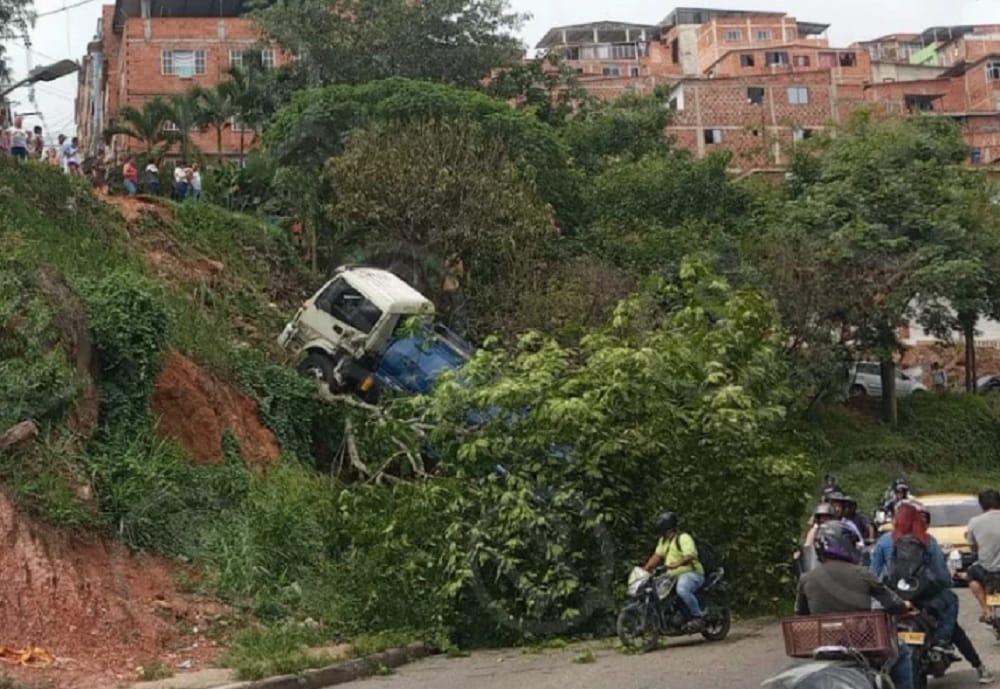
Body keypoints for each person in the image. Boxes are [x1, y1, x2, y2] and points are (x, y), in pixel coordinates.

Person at [797, 519, 913, 689]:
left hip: (823, 645)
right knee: (902, 652)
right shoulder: (862, 573)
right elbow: (893, 604)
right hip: (861, 644)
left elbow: (802, 614)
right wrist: (905, 607)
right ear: (845, 544)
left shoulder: (806, 578)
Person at [870, 503, 960, 661]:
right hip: (924, 597)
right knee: (952, 600)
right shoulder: (927, 540)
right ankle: (941, 641)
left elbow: (873, 573)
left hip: (895, 596)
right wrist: (946, 583)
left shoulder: (884, 541)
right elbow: (941, 573)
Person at [644, 512, 706, 631]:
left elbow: (691, 555)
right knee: (656, 591)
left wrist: (677, 564)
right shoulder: (664, 541)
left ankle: (698, 617)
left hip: (692, 573)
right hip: (672, 576)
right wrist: (645, 569)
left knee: (682, 589)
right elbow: (656, 557)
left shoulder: (683, 538)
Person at [967, 489, 1000, 622]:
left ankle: (986, 610)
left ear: (982, 505)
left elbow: (972, 547)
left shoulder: (974, 522)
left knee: (971, 575)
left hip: (987, 571)